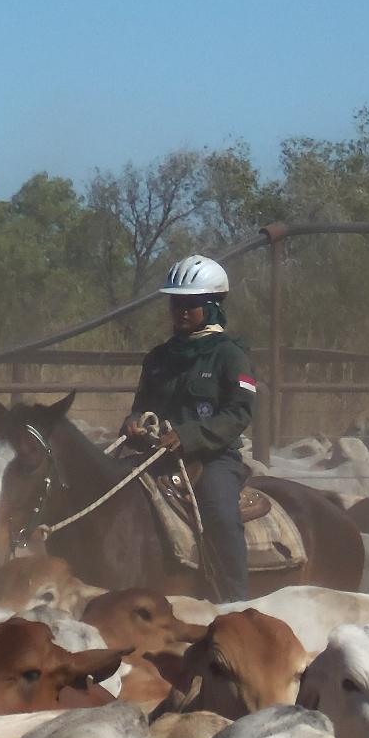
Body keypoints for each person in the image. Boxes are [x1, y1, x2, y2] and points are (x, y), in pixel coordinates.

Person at [122, 254, 256, 601]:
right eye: (176, 303)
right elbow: (142, 406)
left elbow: (239, 412)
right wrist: (133, 424)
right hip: (154, 456)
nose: (181, 310)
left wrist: (189, 436)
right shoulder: (158, 357)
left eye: (191, 304)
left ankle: (235, 602)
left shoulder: (230, 356)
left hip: (212, 458)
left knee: (221, 516)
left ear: (211, 306)